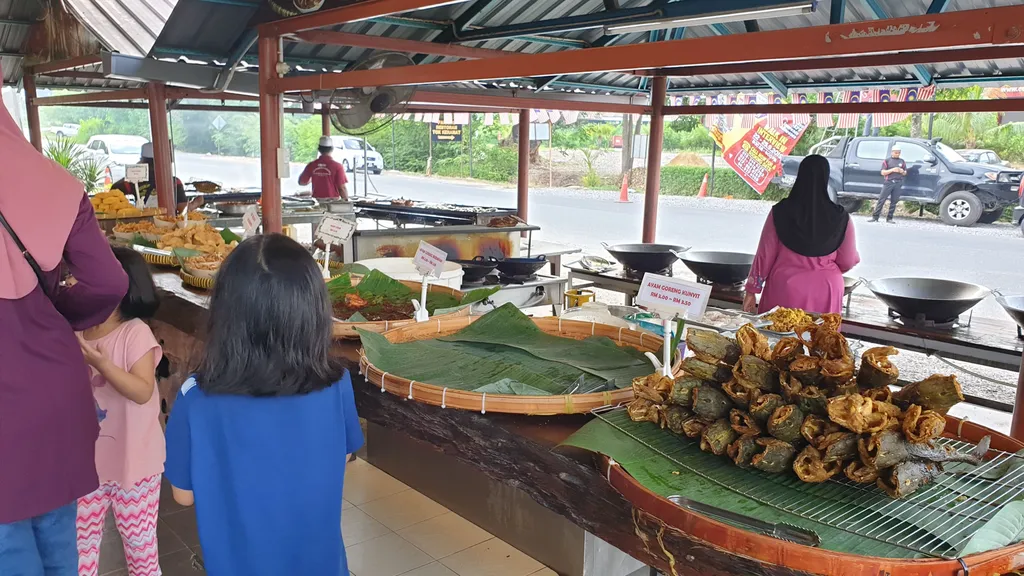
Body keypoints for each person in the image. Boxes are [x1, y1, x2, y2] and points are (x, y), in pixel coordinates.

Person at [164, 234, 363, 576]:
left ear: (225, 315)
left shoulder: (194, 399)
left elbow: (183, 495)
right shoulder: (335, 383)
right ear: (313, 312)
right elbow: (342, 455)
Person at [0, 63, 128, 574]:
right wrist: (52, 307)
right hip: (53, 395)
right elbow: (108, 283)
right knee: (58, 541)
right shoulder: (49, 181)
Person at [75, 247, 164, 576]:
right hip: (86, 463)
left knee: (140, 551)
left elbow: (141, 391)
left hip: (133, 463)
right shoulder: (80, 328)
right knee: (79, 550)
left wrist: (101, 364)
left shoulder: (135, 332)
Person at [743, 155, 860, 315]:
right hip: (826, 290)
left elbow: (765, 255)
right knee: (822, 338)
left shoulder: (780, 212)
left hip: (785, 289)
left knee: (776, 337)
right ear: (825, 178)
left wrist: (752, 290)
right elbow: (847, 260)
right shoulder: (841, 218)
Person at [110, 142, 203, 214]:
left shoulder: (133, 181)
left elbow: (113, 190)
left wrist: (135, 170)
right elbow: (183, 209)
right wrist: (196, 202)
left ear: (142, 160)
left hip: (141, 225)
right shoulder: (173, 182)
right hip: (167, 225)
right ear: (164, 160)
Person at [298, 136, 349, 200]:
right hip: (333, 202)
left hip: (316, 202)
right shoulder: (337, 166)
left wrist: (315, 177)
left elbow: (302, 182)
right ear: (332, 149)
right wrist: (347, 202)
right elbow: (342, 188)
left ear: (319, 149)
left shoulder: (311, 165)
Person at [871, 144, 907, 223]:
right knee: (881, 199)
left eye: (899, 153)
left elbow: (905, 172)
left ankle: (889, 218)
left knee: (894, 201)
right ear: (892, 152)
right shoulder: (887, 161)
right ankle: (875, 217)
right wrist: (893, 170)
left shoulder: (902, 161)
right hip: (889, 182)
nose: (897, 154)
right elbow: (883, 172)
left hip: (898, 183)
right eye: (896, 152)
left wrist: (902, 171)